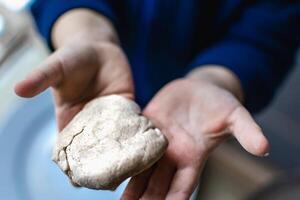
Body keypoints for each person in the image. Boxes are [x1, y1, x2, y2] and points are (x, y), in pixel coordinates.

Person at [15, 1, 299, 199]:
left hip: (191, 97)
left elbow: (267, 35)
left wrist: (218, 79)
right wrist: (83, 29)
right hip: (95, 75)